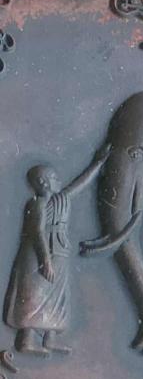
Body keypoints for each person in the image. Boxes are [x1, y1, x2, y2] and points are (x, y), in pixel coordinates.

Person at [4, 145, 110, 356]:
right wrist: (45, 260)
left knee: (57, 297)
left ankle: (50, 339)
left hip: (60, 251)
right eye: (54, 178)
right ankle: (26, 340)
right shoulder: (38, 204)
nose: (59, 181)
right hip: (37, 255)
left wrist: (97, 164)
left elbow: (78, 186)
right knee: (34, 295)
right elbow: (37, 231)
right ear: (43, 182)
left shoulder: (59, 199)